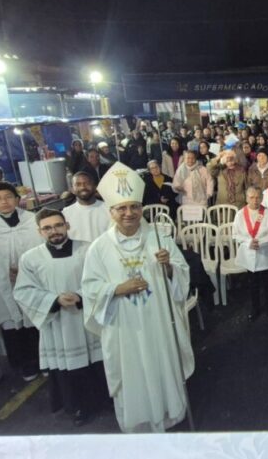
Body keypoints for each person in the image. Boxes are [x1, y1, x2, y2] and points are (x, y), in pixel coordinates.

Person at [81, 162, 194, 433]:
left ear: (141, 209)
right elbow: (90, 288)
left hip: (158, 322)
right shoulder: (99, 248)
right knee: (133, 373)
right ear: (112, 212)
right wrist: (118, 289)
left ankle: (170, 414)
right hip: (124, 326)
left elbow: (181, 274)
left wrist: (168, 267)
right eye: (122, 208)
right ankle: (140, 421)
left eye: (134, 207)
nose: (129, 213)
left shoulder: (159, 237)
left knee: (162, 365)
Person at [14, 209, 108, 426]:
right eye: (47, 228)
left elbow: (104, 279)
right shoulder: (30, 258)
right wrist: (54, 300)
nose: (53, 231)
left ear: (67, 225)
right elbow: (23, 291)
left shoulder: (89, 249)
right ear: (40, 232)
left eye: (57, 225)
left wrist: (81, 296)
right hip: (58, 323)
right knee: (70, 366)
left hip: (88, 317)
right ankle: (78, 407)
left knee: (99, 361)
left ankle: (105, 400)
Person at [0, 182, 44, 381]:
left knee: (37, 323)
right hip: (2, 284)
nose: (4, 201)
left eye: (8, 196)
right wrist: (4, 273)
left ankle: (45, 362)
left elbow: (43, 249)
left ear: (17, 199)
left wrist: (26, 271)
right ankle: (24, 365)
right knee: (12, 326)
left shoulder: (32, 220)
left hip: (34, 281)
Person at [232, 186, 268, 322]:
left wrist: (261, 242)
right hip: (249, 254)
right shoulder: (240, 214)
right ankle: (255, 309)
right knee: (253, 285)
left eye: (258, 197)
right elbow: (235, 234)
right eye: (252, 197)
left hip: (266, 254)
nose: (255, 200)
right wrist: (248, 242)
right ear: (246, 198)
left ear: (262, 198)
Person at [62, 172, 111, 243]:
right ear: (72, 190)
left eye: (87, 183)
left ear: (95, 187)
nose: (83, 187)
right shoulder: (65, 214)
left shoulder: (110, 209)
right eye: (78, 184)